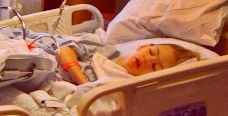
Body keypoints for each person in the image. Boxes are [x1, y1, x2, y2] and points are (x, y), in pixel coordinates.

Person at [56, 41, 201, 85]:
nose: (147, 60)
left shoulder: (126, 85)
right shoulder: (108, 52)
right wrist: (85, 84)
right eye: (151, 52)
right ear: (143, 46)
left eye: (154, 66)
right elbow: (63, 50)